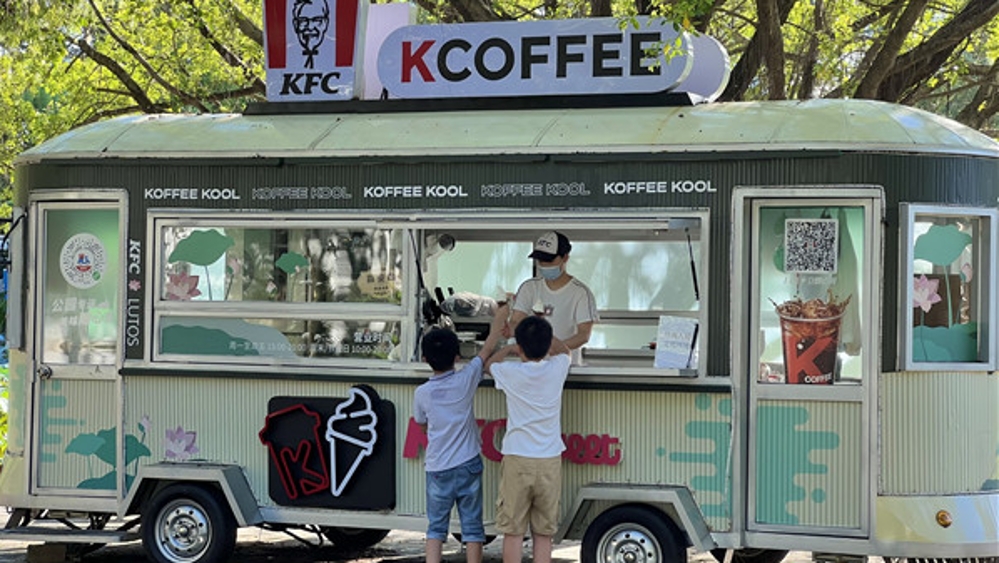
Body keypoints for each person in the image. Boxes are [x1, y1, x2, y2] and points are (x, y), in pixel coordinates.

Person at [412, 305, 508, 563]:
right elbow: (488, 348)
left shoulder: (421, 393)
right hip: (468, 464)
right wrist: (501, 316)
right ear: (457, 357)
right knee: (473, 528)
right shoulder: (466, 380)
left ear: (425, 359)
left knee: (436, 528)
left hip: (438, 468)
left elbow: (421, 425)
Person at [486, 316, 571, 563]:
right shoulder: (557, 368)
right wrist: (546, 334)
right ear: (547, 345)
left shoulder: (511, 372)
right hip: (549, 460)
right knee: (544, 533)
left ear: (521, 347)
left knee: (513, 531)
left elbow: (489, 364)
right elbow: (565, 351)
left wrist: (509, 348)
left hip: (517, 458)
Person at [508, 231, 598, 365]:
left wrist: (552, 348)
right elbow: (516, 321)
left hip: (564, 368)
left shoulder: (580, 293)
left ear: (565, 258)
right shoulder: (529, 288)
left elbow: (583, 335)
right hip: (532, 367)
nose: (544, 265)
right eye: (541, 260)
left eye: (549, 260)